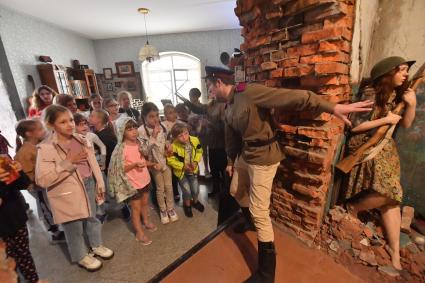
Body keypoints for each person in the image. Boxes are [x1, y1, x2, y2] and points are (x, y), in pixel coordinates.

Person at [204, 66, 373, 282]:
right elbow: (231, 137)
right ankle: (251, 223)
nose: (208, 91)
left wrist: (332, 107)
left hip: (264, 156)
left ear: (218, 82)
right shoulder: (227, 106)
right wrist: (230, 161)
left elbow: (296, 97)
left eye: (209, 86)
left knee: (259, 210)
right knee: (236, 190)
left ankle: (267, 273)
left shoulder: (250, 92)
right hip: (246, 154)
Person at [344, 56, 418, 271]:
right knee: (391, 192)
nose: (405, 74)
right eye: (401, 70)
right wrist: (385, 120)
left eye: (406, 70)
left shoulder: (397, 95)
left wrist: (411, 105)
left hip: (385, 147)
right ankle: (353, 207)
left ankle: (394, 251)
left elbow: (406, 123)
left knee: (393, 201)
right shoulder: (370, 93)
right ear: (387, 74)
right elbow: (355, 127)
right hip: (365, 145)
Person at [35, 105, 114, 272]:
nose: (70, 124)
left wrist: (100, 183)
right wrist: (69, 161)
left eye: (71, 119)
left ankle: (96, 244)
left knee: (93, 217)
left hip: (88, 184)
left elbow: (92, 163)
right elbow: (42, 180)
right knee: (74, 226)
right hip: (67, 193)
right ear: (51, 125)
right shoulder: (46, 148)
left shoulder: (81, 139)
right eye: (63, 122)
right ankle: (80, 255)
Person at [14, 119, 65, 243]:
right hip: (38, 186)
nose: (44, 131)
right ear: (29, 134)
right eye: (40, 129)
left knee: (51, 205)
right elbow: (25, 173)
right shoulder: (23, 152)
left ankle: (58, 226)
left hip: (47, 182)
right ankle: (55, 232)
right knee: (45, 207)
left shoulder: (39, 145)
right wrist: (34, 183)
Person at [108, 118, 157, 245]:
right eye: (129, 129)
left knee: (145, 202)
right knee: (136, 208)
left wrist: (151, 164)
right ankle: (139, 233)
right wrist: (134, 165)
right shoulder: (120, 149)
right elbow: (119, 168)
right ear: (122, 132)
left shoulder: (139, 143)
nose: (134, 132)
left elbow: (143, 160)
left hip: (145, 179)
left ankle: (145, 221)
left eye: (135, 128)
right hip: (133, 184)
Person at [0, 160, 42, 283]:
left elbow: (23, 184)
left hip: (15, 218)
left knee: (24, 255)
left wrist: (18, 171)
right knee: (7, 264)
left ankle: (34, 280)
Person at [139, 102, 178, 224]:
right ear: (144, 117)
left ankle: (171, 208)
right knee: (160, 188)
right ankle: (163, 210)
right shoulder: (141, 131)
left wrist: (169, 146)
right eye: (151, 116)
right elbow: (144, 151)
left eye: (156, 115)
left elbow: (167, 140)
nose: (155, 119)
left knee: (169, 186)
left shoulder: (163, 127)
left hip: (165, 162)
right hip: (154, 165)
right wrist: (153, 136)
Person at [167, 123, 204, 217]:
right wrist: (182, 166)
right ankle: (187, 205)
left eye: (186, 133)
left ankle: (195, 202)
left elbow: (199, 151)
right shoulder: (173, 146)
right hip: (181, 173)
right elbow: (170, 160)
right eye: (180, 135)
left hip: (193, 170)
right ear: (175, 137)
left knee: (195, 189)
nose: (184, 137)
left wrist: (196, 162)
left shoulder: (195, 140)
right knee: (186, 191)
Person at [162, 104, 180, 201]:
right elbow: (164, 139)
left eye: (174, 112)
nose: (173, 114)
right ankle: (175, 191)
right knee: (172, 173)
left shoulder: (179, 123)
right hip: (170, 151)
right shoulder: (163, 125)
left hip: (179, 150)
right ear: (165, 115)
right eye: (170, 113)